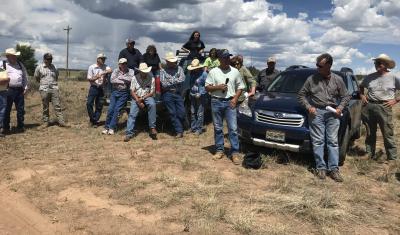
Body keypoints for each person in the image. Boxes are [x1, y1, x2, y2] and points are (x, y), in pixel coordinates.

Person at [298, 53, 350, 182]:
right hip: (316, 113)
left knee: (332, 141)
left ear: (329, 65)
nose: (317, 67)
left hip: (333, 113)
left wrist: (340, 108)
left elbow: (346, 96)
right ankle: (320, 168)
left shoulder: (337, 79)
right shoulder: (311, 79)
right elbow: (301, 95)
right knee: (318, 141)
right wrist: (309, 107)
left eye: (320, 65)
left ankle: (334, 169)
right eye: (316, 65)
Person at [205, 49, 245, 165]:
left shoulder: (235, 71)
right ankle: (219, 150)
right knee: (218, 128)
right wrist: (218, 87)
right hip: (216, 101)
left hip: (230, 103)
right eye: (224, 57)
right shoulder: (213, 72)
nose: (227, 59)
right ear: (219, 59)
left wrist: (235, 99)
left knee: (232, 128)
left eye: (228, 57)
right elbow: (207, 87)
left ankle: (235, 152)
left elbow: (241, 87)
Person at [360, 54, 399, 162]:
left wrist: (395, 100)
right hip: (369, 106)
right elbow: (361, 86)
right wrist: (362, 95)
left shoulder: (393, 77)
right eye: (376, 63)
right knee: (369, 132)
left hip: (384, 107)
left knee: (387, 133)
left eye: (379, 63)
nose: (377, 65)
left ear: (386, 65)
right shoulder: (370, 77)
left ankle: (392, 158)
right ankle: (369, 153)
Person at [34, 53, 68, 128]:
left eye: (51, 59)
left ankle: (61, 122)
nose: (50, 60)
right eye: (48, 59)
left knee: (57, 105)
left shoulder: (54, 67)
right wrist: (43, 84)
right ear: (44, 59)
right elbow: (36, 77)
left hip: (54, 88)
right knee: (45, 106)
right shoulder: (39, 67)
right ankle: (46, 122)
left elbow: (56, 76)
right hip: (44, 89)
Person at [124, 63, 157, 142]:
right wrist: (138, 100)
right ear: (140, 71)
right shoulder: (134, 78)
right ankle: (129, 133)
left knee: (152, 104)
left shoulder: (152, 78)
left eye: (145, 71)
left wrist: (142, 99)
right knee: (132, 113)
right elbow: (132, 91)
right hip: (136, 97)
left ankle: (152, 128)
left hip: (147, 96)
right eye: (143, 71)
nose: (144, 73)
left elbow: (152, 92)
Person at [102, 58, 133, 135]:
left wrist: (120, 78)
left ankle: (111, 127)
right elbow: (112, 80)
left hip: (124, 93)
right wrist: (124, 81)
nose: (124, 65)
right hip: (115, 92)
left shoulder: (131, 71)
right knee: (110, 110)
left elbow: (131, 79)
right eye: (122, 63)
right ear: (119, 64)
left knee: (117, 110)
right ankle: (106, 127)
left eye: (125, 63)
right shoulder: (116, 70)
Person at [160, 52, 186, 138]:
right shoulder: (163, 71)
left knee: (181, 112)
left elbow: (182, 79)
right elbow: (163, 84)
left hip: (178, 93)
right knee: (172, 112)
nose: (171, 63)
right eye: (169, 61)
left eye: (172, 61)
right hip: (167, 94)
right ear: (167, 61)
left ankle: (179, 127)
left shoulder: (180, 69)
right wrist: (175, 81)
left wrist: (170, 82)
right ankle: (179, 131)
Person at [2, 48, 28, 133]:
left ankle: (20, 126)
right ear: (7, 56)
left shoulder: (20, 64)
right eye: (12, 56)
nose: (14, 57)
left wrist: (25, 87)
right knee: (6, 109)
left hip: (19, 90)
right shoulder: (2, 64)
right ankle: (5, 128)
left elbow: (25, 77)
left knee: (20, 109)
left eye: (15, 56)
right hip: (7, 90)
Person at [86, 53, 112, 127]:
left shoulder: (105, 66)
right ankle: (93, 119)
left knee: (99, 105)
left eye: (104, 59)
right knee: (89, 103)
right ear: (98, 59)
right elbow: (89, 78)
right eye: (102, 58)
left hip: (101, 88)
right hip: (94, 87)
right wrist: (96, 77)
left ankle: (94, 121)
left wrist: (104, 72)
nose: (103, 60)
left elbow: (110, 70)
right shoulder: (92, 67)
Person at [187, 59, 207, 135]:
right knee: (192, 112)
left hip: (200, 96)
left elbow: (207, 85)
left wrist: (201, 93)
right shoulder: (192, 74)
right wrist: (190, 93)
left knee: (200, 113)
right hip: (192, 94)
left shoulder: (204, 74)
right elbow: (191, 84)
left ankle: (199, 129)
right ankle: (193, 127)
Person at [0, 69, 9, 137]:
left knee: (2, 111)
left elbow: (7, 80)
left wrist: (4, 80)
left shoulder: (3, 71)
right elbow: (4, 80)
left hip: (3, 92)